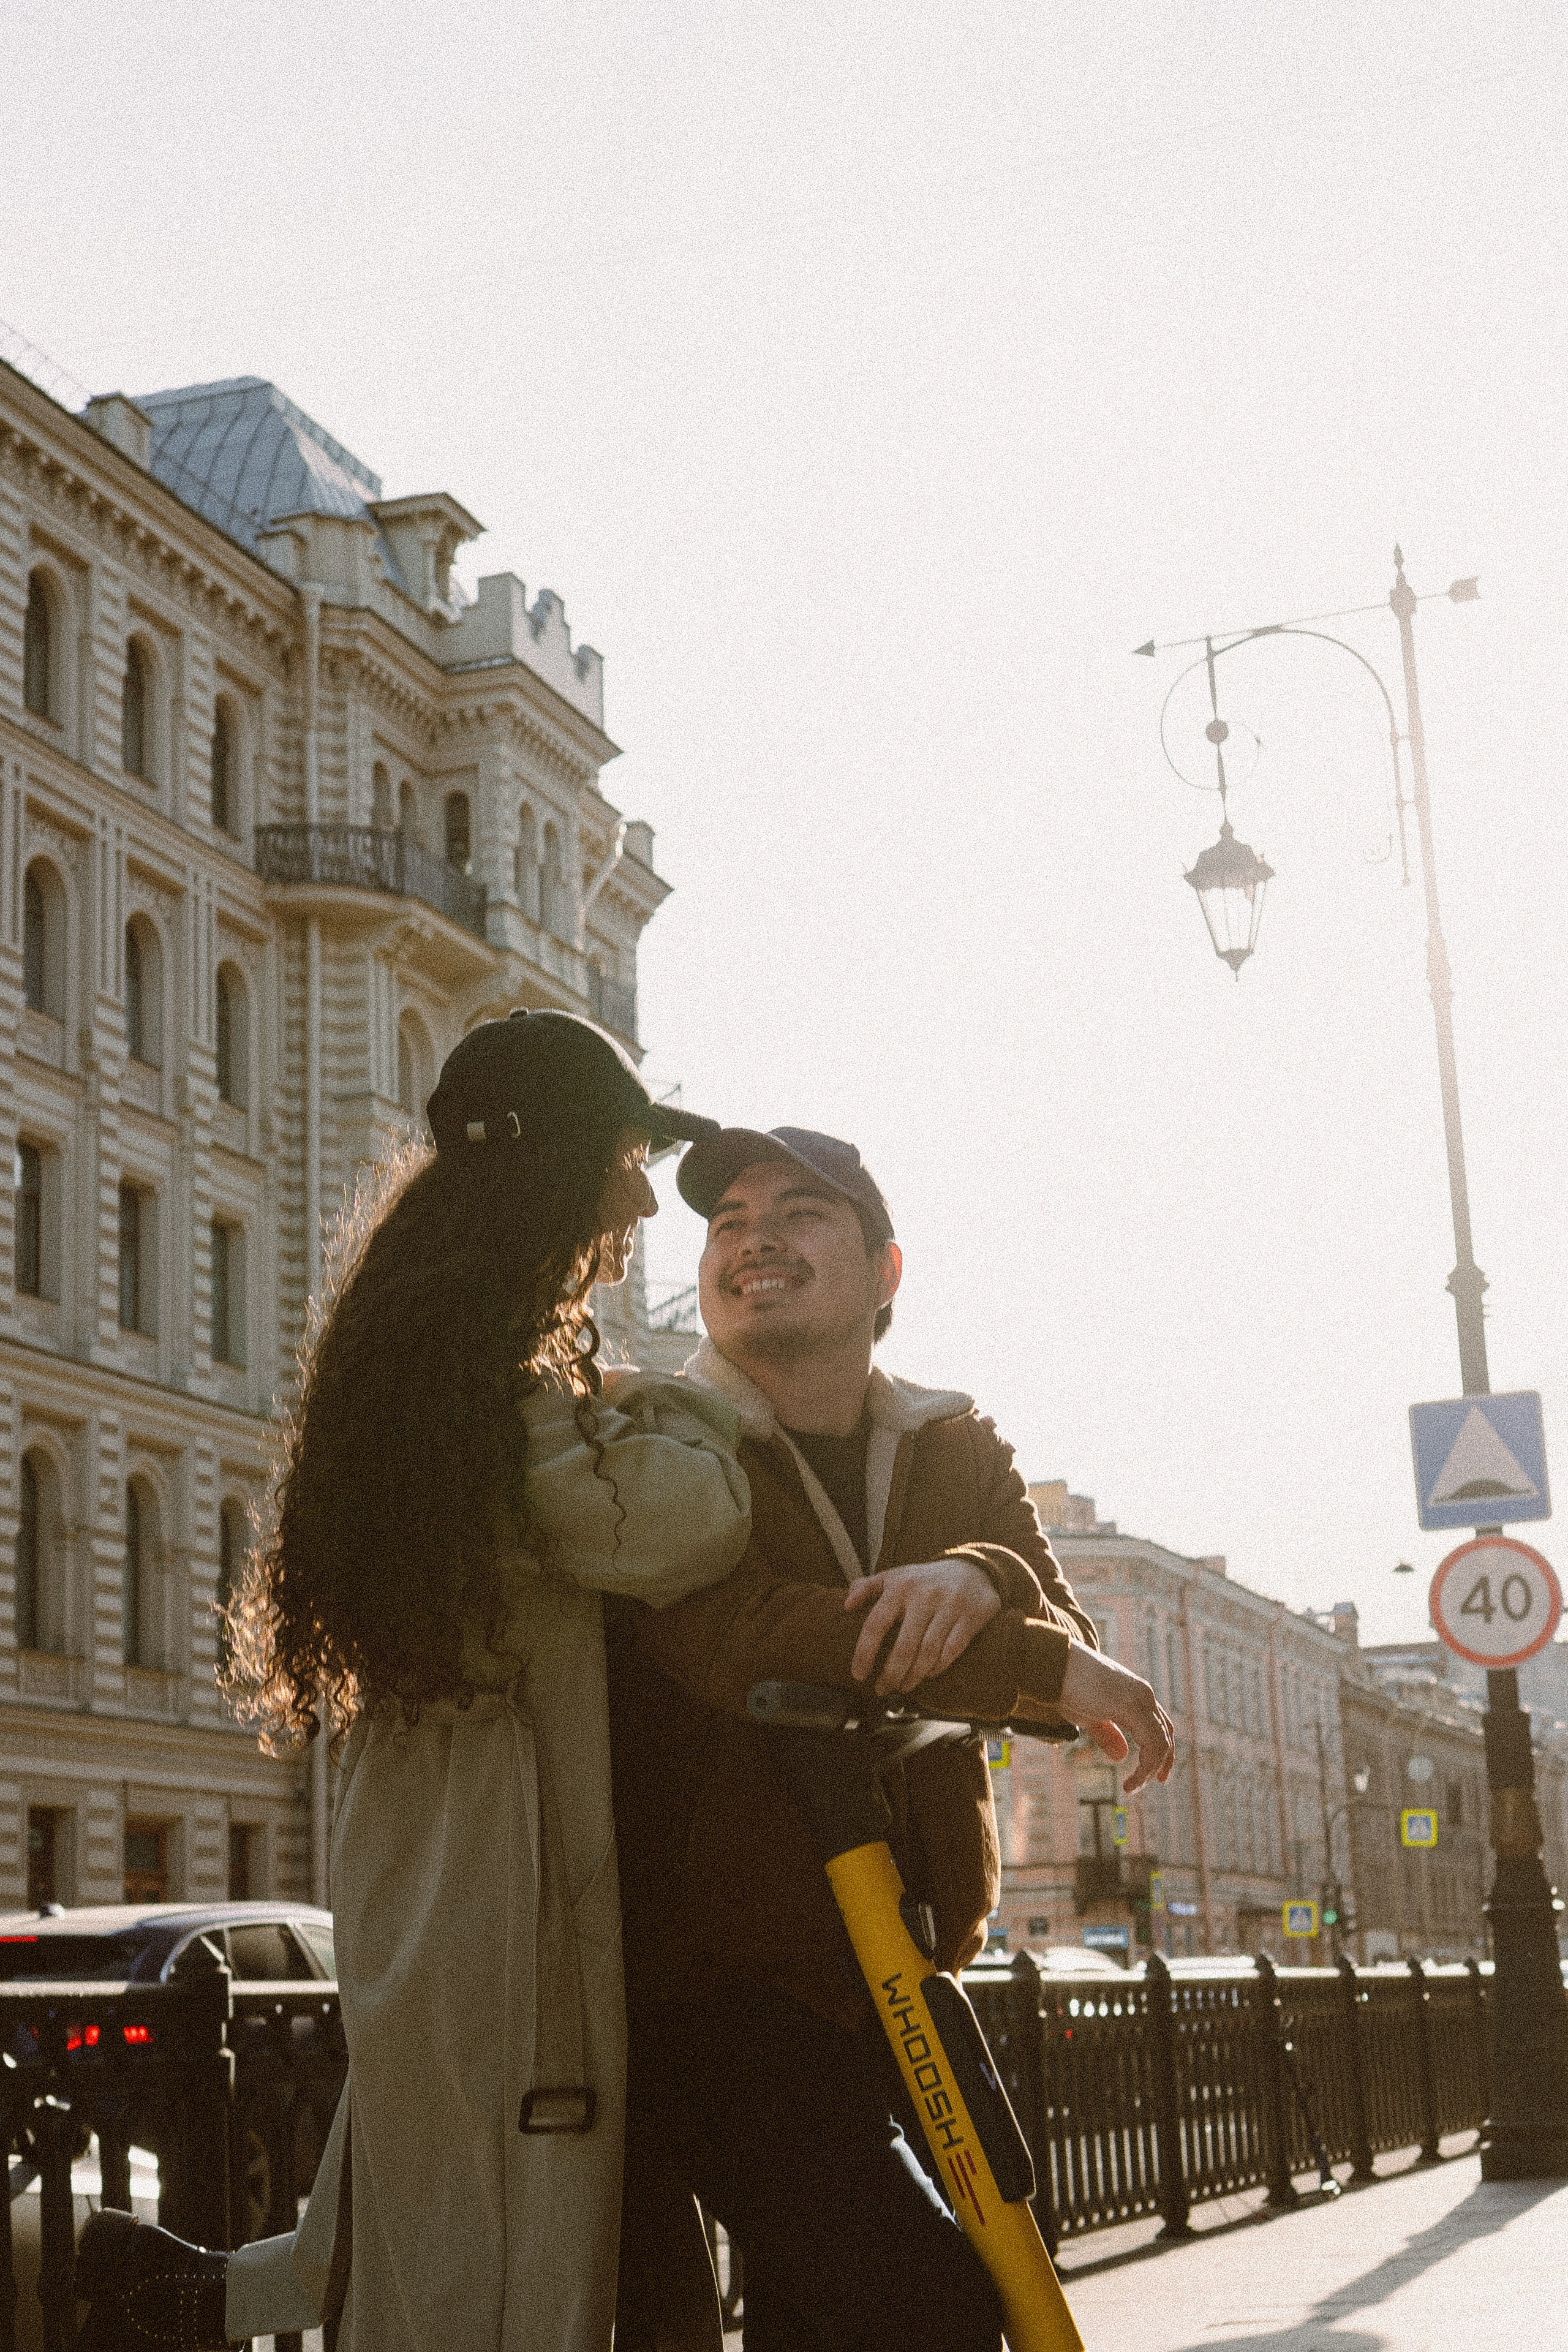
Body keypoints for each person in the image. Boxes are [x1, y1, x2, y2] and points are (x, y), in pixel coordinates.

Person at [74, 1011, 756, 2352]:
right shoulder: (498, 1378)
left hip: (445, 1840)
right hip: (497, 1860)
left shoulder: (436, 1355)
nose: (638, 1193)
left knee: (450, 2187)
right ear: (554, 1167)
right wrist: (698, 1396)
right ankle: (194, 2291)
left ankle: (187, 2292)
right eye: (623, 1155)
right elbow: (676, 1526)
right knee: (504, 2221)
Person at [610, 1126, 1174, 2352]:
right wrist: (1017, 1650)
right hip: (716, 1989)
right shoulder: (659, 1434)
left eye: (800, 1213)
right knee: (929, 2311)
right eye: (724, 1220)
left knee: (837, 2319)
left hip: (902, 1966)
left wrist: (975, 1576)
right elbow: (730, 1635)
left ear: (885, 1271)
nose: (752, 1236)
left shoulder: (952, 1440)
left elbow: (1050, 1622)